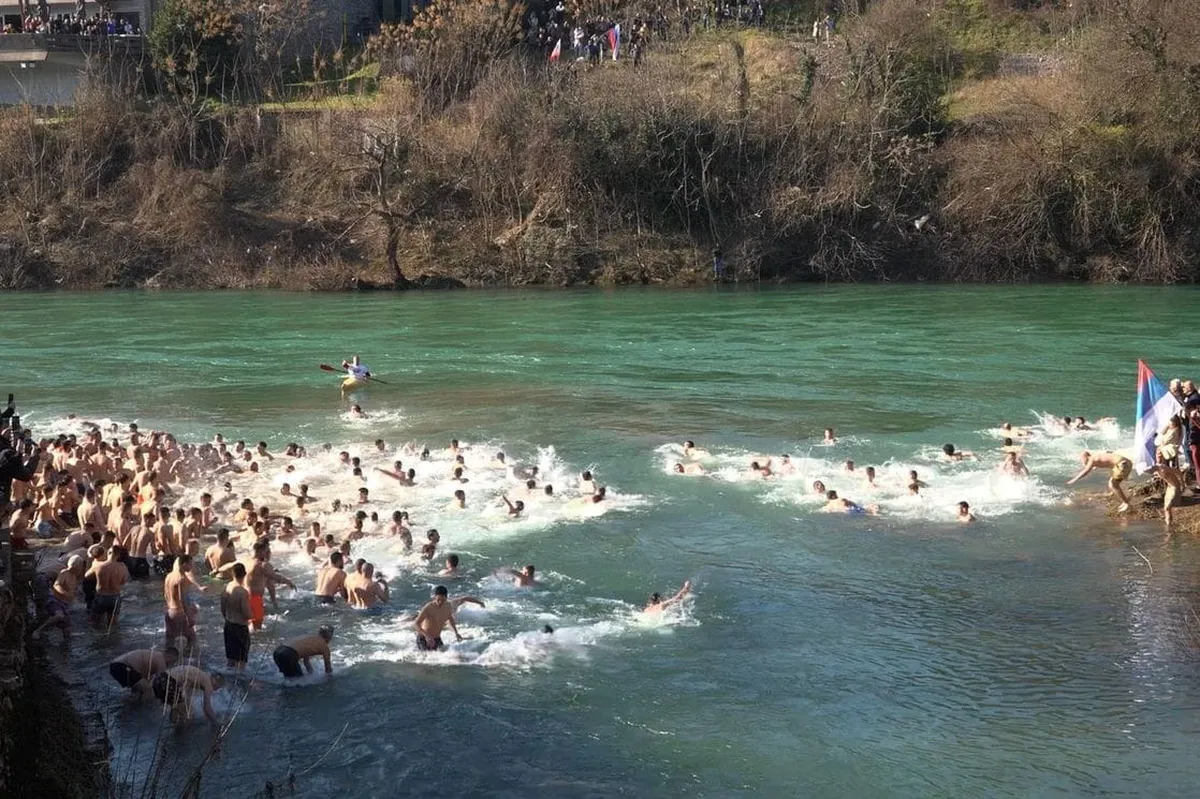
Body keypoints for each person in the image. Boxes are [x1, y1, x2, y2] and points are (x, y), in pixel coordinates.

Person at [31, 555, 86, 640]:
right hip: (55, 601)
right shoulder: (64, 572)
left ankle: (66, 647)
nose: (82, 569)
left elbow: (73, 589)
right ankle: (38, 630)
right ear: (76, 567)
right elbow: (57, 585)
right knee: (59, 616)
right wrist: (66, 594)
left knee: (66, 629)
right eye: (81, 567)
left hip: (64, 603)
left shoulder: (74, 576)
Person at [153, 665, 224, 725]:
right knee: (189, 713)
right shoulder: (208, 682)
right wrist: (217, 722)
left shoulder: (199, 675)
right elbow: (207, 707)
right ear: (215, 681)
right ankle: (181, 738)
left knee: (179, 708)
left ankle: (173, 727)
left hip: (158, 680)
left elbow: (184, 690)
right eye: (218, 687)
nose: (216, 690)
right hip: (167, 682)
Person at [1066, 450, 1133, 512]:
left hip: (1121, 465)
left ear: (1085, 457)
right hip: (1127, 463)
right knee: (1113, 481)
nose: (1082, 462)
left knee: (1112, 484)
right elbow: (1108, 454)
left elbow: (1085, 472)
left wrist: (1074, 479)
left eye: (1082, 460)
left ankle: (1126, 503)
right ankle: (1114, 494)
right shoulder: (1097, 456)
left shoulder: (1091, 460)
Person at [163, 555, 205, 649]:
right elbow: (183, 599)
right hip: (179, 613)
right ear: (184, 564)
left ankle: (169, 660)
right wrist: (189, 616)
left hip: (169, 612)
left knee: (169, 641)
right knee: (192, 639)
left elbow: (165, 594)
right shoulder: (181, 579)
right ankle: (188, 660)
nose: (191, 567)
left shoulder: (169, 576)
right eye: (190, 564)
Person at [109, 647, 179, 699]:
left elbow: (148, 679)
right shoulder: (161, 660)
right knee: (147, 690)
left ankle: (132, 707)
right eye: (173, 661)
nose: (172, 664)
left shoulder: (154, 656)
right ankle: (144, 712)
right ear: (169, 656)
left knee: (138, 691)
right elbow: (163, 682)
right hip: (122, 666)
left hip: (116, 665)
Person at [220, 563, 252, 673]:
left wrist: (227, 617)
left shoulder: (227, 587)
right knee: (241, 662)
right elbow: (247, 614)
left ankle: (228, 684)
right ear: (244, 574)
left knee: (230, 660)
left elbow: (222, 607)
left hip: (228, 625)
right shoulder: (242, 592)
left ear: (232, 574)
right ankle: (239, 686)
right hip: (240, 628)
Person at [89, 545, 130, 628]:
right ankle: (112, 639)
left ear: (108, 553)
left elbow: (86, 576)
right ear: (118, 555)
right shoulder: (122, 567)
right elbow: (123, 581)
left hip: (101, 595)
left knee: (95, 623)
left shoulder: (98, 565)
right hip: (115, 597)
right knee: (113, 624)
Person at [414, 586, 463, 651]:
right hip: (424, 638)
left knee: (446, 657)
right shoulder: (429, 607)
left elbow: (450, 619)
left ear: (446, 597)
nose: (440, 602)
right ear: (435, 597)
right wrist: (427, 636)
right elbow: (416, 624)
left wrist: (456, 633)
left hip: (437, 639)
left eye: (442, 600)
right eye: (438, 600)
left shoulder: (448, 606)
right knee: (429, 659)